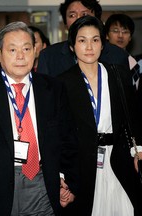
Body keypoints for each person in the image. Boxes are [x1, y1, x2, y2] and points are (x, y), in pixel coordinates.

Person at [0, 21, 79, 216]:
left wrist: (64, 178)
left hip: (41, 182)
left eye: (26, 48)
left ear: (35, 51)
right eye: (12, 50)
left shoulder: (52, 88)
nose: (20, 56)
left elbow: (67, 137)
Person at [58, 15, 142, 216]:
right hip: (82, 166)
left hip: (120, 161)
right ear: (72, 46)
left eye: (95, 40)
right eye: (82, 40)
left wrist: (139, 150)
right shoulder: (62, 83)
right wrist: (62, 175)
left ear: (102, 44)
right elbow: (60, 133)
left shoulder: (119, 75)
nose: (89, 47)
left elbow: (134, 117)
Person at [37, 0, 129, 77]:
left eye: (84, 14)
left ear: (97, 18)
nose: (78, 18)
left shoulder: (118, 56)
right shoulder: (48, 56)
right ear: (65, 23)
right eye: (72, 15)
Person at [105, 14, 141, 90]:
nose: (120, 35)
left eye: (125, 32)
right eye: (115, 31)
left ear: (130, 37)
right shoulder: (100, 59)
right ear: (107, 35)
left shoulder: (135, 63)